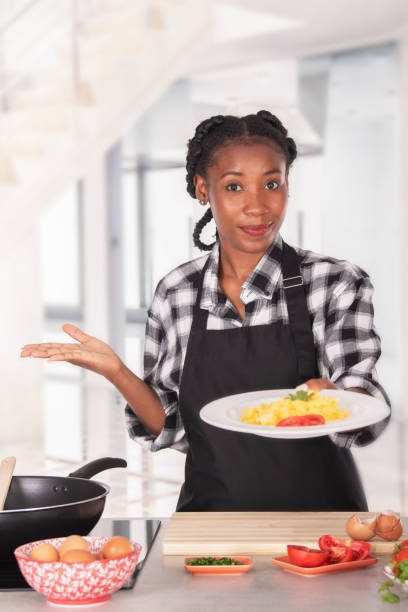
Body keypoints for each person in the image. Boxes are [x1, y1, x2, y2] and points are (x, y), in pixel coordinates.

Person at [21, 110, 390, 512]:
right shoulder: (176, 292)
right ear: (202, 189)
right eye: (234, 187)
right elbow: (174, 428)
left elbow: (362, 401)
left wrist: (336, 399)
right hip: (209, 522)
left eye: (272, 184)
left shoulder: (334, 282)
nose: (257, 207)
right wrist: (117, 372)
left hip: (323, 525)